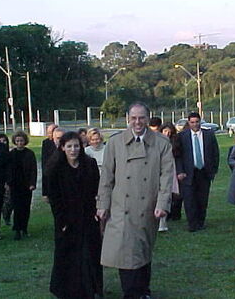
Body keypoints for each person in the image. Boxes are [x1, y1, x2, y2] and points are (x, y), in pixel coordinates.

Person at [97, 102, 174, 299]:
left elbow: (167, 176)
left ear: (148, 118)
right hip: (121, 207)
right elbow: (106, 177)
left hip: (149, 206)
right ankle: (132, 293)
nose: (137, 122)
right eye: (133, 118)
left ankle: (143, 290)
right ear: (127, 119)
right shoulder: (115, 143)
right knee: (126, 253)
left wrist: (162, 204)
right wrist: (102, 206)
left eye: (141, 118)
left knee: (143, 249)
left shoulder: (161, 143)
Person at [47, 131, 103, 298]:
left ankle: (91, 289)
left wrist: (96, 211)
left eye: (76, 146)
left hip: (87, 216)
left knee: (90, 254)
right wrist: (61, 220)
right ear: (63, 147)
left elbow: (97, 189)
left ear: (82, 146)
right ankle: (66, 290)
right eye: (69, 146)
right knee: (68, 255)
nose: (73, 150)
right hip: (66, 219)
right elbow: (54, 198)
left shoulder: (90, 164)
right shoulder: (55, 167)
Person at [176, 112, 219, 232]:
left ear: (200, 122)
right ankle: (192, 224)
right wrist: (180, 171)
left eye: (197, 122)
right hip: (188, 173)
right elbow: (178, 156)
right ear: (189, 123)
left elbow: (215, 153)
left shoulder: (209, 135)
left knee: (202, 199)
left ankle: (201, 222)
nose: (195, 124)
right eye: (192, 122)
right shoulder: (182, 136)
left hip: (204, 172)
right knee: (189, 199)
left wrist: (213, 170)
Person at [7, 130, 37, 239]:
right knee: (17, 207)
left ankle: (24, 228)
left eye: (22, 141)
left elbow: (34, 170)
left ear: (25, 141)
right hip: (15, 185)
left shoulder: (30, 153)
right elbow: (8, 170)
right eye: (17, 141)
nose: (20, 143)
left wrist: (32, 183)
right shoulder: (11, 154)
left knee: (25, 207)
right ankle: (17, 229)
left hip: (26, 184)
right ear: (15, 141)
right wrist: (8, 183)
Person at [158, 122, 181, 231]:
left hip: (171, 169)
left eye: (169, 131)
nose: (167, 133)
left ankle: (164, 220)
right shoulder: (156, 142)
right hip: (159, 170)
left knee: (168, 195)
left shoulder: (174, 143)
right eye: (165, 131)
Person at [41, 125, 64, 203]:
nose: (60, 141)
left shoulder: (70, 150)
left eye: (62, 138)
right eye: (58, 138)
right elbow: (44, 170)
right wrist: (45, 193)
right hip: (53, 188)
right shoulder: (47, 146)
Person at [0, 133, 12, 226]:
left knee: (9, 202)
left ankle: (7, 216)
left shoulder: (10, 153)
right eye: (0, 141)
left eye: (4, 140)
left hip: (9, 181)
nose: (2, 143)